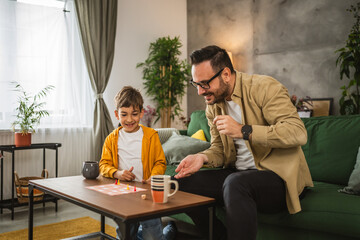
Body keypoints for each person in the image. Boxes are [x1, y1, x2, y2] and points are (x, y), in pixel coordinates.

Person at [174, 45, 313, 240]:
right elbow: (220, 150)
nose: (199, 92)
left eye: (204, 83)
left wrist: (243, 130)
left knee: (235, 183)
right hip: (238, 176)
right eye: (195, 83)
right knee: (179, 184)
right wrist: (202, 157)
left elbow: (297, 133)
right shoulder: (213, 105)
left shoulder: (265, 88)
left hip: (277, 177)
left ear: (226, 74)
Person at [99, 86, 177, 240]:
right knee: (125, 234)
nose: (129, 119)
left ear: (141, 113)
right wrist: (117, 173)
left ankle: (169, 231)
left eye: (134, 114)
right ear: (116, 114)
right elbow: (103, 165)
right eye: (124, 114)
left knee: (152, 234)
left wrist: (153, 178)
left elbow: (160, 162)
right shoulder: (111, 139)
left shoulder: (151, 135)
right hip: (123, 195)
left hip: (146, 194)